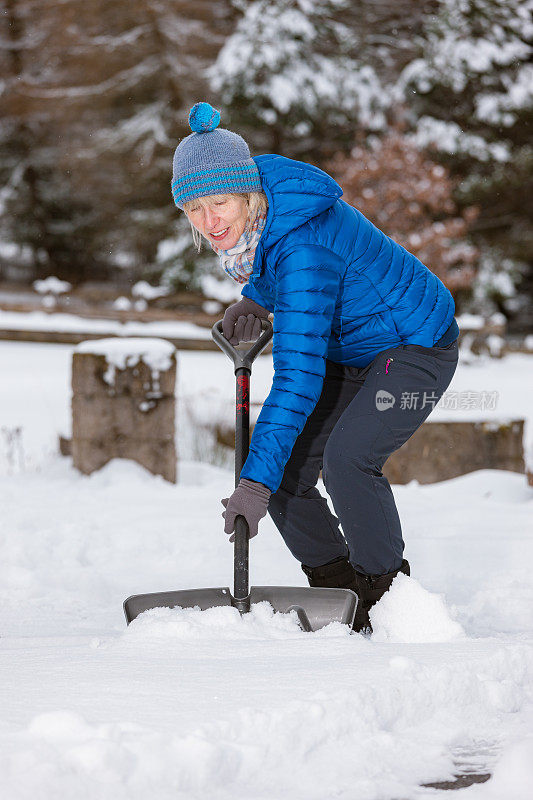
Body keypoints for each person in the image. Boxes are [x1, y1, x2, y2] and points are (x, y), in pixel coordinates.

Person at [171, 102, 459, 632]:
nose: (209, 222)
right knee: (282, 475)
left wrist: (250, 486)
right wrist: (257, 299)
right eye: (193, 209)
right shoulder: (268, 219)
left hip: (415, 343)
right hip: (352, 345)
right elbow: (273, 263)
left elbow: (298, 377)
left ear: (247, 193)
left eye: (219, 202)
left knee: (347, 460)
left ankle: (387, 591)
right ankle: (339, 585)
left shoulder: (302, 243)